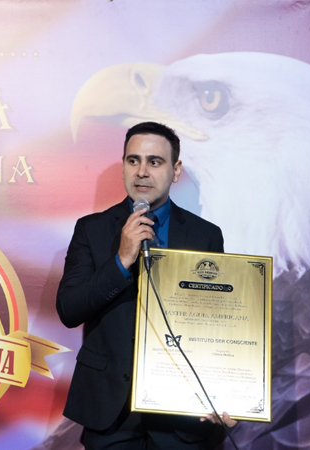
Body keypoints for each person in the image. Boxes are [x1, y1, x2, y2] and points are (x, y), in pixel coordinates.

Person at [56, 122, 235, 449]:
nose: (142, 171)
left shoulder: (205, 235)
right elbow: (69, 310)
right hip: (111, 412)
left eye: (154, 161)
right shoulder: (91, 230)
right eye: (133, 160)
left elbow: (217, 323)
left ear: (175, 170)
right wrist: (121, 260)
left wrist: (226, 391)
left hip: (181, 413)